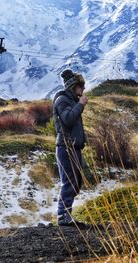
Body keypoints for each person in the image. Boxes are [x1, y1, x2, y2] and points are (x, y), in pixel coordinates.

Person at [53, 69, 88, 226]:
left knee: (76, 182)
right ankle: (63, 216)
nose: (83, 89)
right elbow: (67, 119)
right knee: (69, 181)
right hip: (66, 147)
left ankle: (66, 215)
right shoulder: (62, 100)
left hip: (73, 147)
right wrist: (80, 105)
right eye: (81, 85)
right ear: (73, 86)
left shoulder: (70, 100)